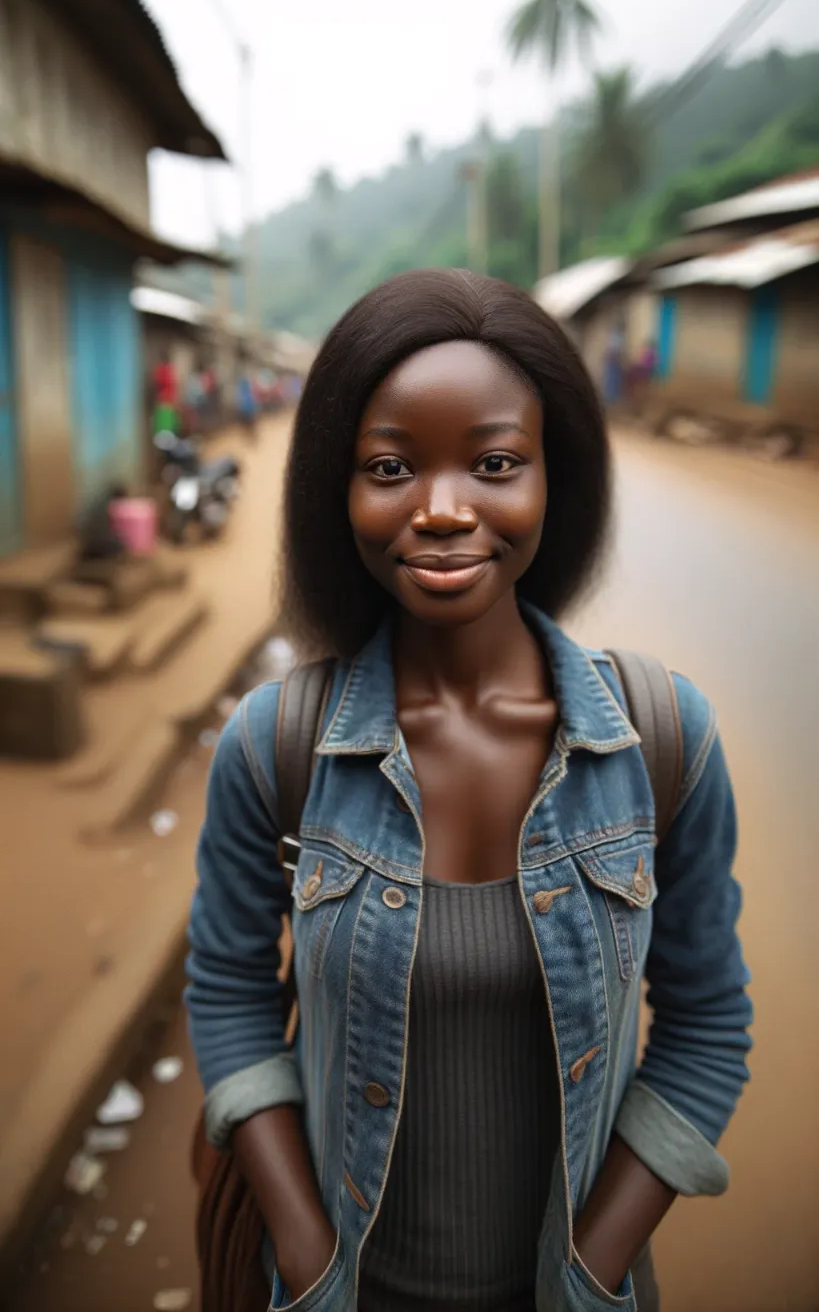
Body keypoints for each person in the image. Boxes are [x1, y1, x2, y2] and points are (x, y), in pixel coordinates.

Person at [187, 269, 752, 1312]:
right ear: (336, 489)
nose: (444, 510)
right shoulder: (275, 747)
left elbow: (709, 1021)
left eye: (495, 462)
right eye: (391, 466)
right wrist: (311, 1259)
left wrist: (589, 1267)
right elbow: (227, 993)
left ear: (553, 479)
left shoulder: (666, 740)